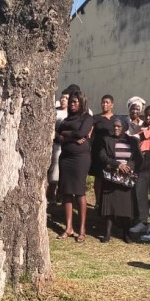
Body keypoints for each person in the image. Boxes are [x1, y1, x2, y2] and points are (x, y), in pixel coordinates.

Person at [55, 89, 94, 242]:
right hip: (65, 158)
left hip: (80, 159)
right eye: (70, 101)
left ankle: (82, 229)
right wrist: (69, 136)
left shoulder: (87, 118)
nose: (71, 104)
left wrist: (66, 134)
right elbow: (57, 136)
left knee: (79, 192)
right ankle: (69, 227)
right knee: (66, 192)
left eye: (75, 102)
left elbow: (81, 133)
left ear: (81, 103)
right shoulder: (66, 119)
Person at [97, 116, 142, 243]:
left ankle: (126, 233)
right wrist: (118, 165)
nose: (116, 128)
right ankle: (107, 233)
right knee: (109, 207)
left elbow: (137, 158)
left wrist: (128, 167)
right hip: (111, 176)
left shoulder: (132, 141)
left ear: (124, 127)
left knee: (126, 207)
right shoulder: (107, 140)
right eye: (114, 126)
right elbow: (102, 156)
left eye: (119, 126)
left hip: (126, 177)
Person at [129, 105, 150, 234]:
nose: (147, 118)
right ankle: (143, 221)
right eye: (146, 115)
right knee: (140, 194)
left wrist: (149, 135)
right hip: (142, 167)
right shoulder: (140, 129)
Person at [48, 86, 74, 203]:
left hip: (67, 145)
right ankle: (51, 194)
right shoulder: (54, 111)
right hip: (55, 144)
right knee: (54, 168)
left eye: (66, 98)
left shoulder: (72, 114)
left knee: (64, 171)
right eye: (62, 97)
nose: (63, 100)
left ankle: (61, 194)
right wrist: (57, 135)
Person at [89, 94, 116, 206]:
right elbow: (90, 134)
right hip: (98, 150)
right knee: (99, 177)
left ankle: (109, 202)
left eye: (107, 102)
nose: (104, 104)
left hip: (111, 152)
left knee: (111, 176)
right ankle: (98, 202)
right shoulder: (95, 118)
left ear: (112, 105)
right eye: (103, 102)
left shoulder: (116, 119)